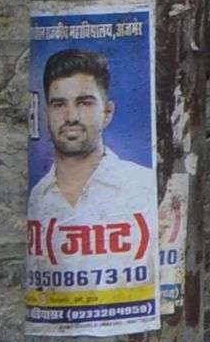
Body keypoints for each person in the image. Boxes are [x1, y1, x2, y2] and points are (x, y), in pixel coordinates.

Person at [28, 47, 158, 237]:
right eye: (59, 104)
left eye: (84, 103)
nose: (71, 116)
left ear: (107, 112)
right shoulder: (39, 195)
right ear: (47, 115)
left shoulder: (143, 186)